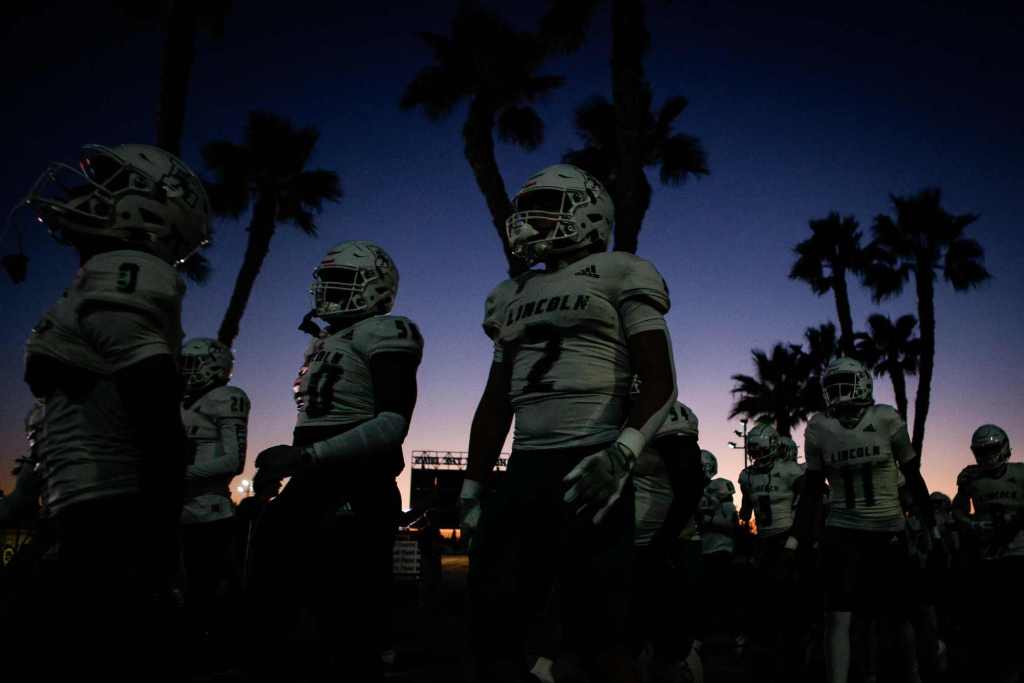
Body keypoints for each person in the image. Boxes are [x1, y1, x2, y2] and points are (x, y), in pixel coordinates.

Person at [459, 163, 677, 683]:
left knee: (600, 638)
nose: (530, 220)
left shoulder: (620, 271)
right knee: (493, 629)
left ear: (588, 212)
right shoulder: (510, 294)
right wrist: (473, 483)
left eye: (548, 207)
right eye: (527, 210)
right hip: (524, 469)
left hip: (593, 462)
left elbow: (660, 379)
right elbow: (496, 401)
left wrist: (621, 453)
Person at [20, 143, 210, 681]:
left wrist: (153, 548)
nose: (87, 192)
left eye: (110, 182)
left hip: (108, 519)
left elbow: (155, 416)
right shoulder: (104, 275)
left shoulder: (125, 272)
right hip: (90, 509)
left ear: (153, 207)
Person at [252, 240, 422, 680]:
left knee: (347, 614)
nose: (330, 290)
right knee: (279, 592)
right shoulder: (327, 341)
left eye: (343, 280)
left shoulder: (386, 330)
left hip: (357, 483)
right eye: (327, 280)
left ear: (377, 288)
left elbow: (391, 424)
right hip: (315, 479)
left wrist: (307, 456)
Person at [788, 357, 936, 683]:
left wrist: (930, 524)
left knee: (897, 617)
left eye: (844, 382)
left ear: (863, 383)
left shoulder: (885, 418)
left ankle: (911, 674)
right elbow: (813, 489)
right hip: (843, 530)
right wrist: (795, 537)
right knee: (837, 616)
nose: (837, 391)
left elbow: (912, 475)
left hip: (888, 530)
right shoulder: (819, 427)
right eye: (832, 385)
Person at [178, 337, 251, 656]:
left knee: (207, 591)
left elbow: (233, 462)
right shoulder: (181, 402)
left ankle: (219, 649)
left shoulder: (227, 398)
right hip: (176, 512)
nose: (186, 372)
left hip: (210, 514)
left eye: (193, 365)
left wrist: (178, 477)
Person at [631, 401, 704, 682]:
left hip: (664, 544)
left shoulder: (667, 413)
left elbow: (690, 483)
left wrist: (660, 545)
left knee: (670, 650)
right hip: (628, 544)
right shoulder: (608, 412)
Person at [952, 424, 1023, 683]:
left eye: (992, 449)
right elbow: (957, 510)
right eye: (982, 451)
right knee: (993, 624)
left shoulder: (1020, 472)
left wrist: (1014, 524)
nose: (987, 455)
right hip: (987, 558)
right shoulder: (971, 478)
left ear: (1003, 446)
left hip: (1018, 554)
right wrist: (971, 524)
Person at [737, 422, 804, 679]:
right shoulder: (747, 475)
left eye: (759, 448)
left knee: (787, 593)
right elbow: (746, 508)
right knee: (762, 594)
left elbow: (807, 504)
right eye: (752, 449)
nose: (755, 454)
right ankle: (768, 645)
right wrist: (743, 518)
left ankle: (792, 647)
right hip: (763, 540)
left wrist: (796, 540)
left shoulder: (790, 470)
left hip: (785, 537)